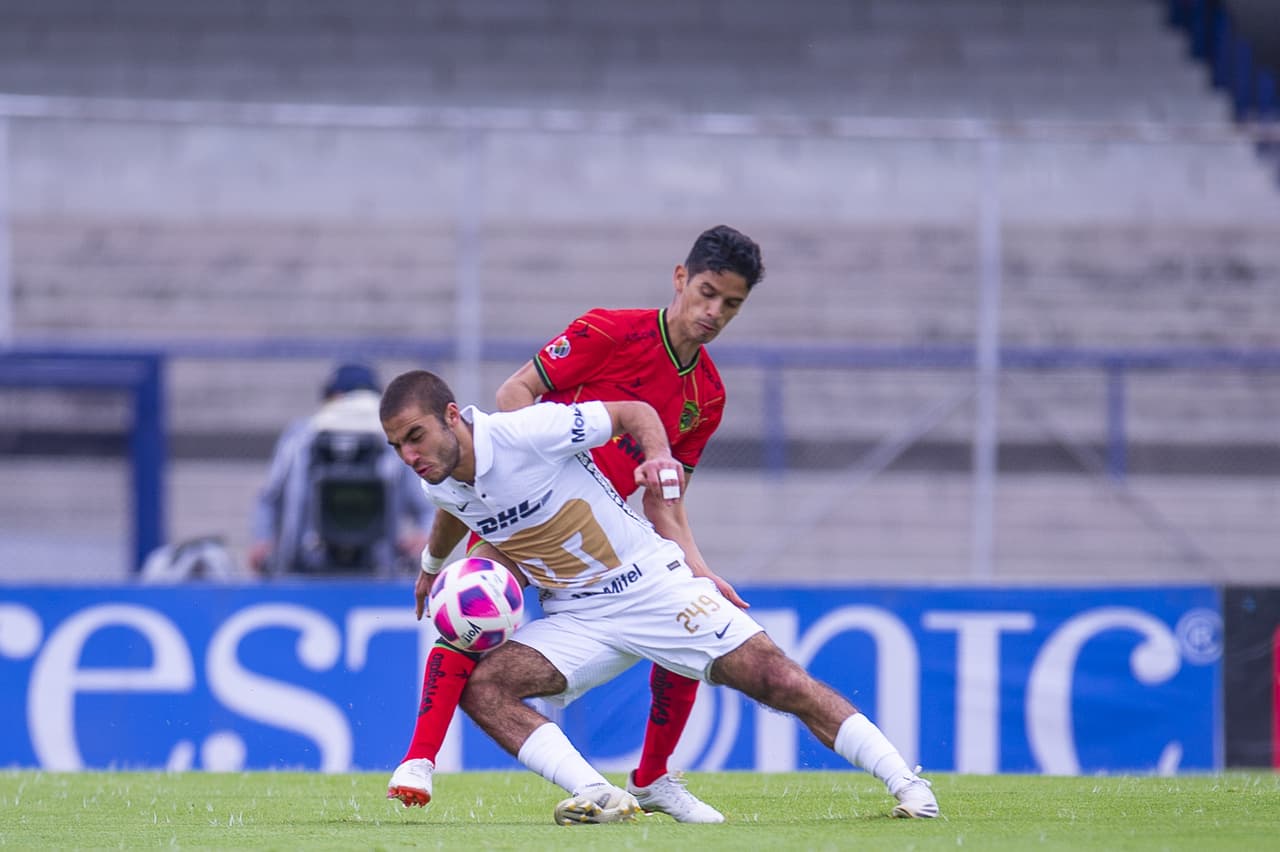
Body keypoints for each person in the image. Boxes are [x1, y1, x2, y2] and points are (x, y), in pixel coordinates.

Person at [379, 369, 940, 825]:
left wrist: (657, 457)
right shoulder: (438, 477)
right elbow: (452, 509)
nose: (409, 455)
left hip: (650, 586)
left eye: (415, 436)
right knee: (484, 688)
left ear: (452, 416)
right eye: (397, 445)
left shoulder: (526, 431)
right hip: (578, 616)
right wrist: (432, 567)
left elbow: (633, 413)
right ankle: (599, 795)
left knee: (778, 680)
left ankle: (907, 783)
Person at [386, 226, 761, 822]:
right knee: (467, 608)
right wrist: (542, 476)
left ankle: (654, 777)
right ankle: (418, 761)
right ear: (681, 278)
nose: (714, 312)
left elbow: (669, 495)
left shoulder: (708, 393)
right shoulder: (611, 330)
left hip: (604, 534)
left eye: (731, 304)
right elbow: (516, 394)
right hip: (532, 512)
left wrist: (697, 564)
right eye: (707, 293)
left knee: (685, 606)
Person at [249, 361, 433, 576]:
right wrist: (263, 540)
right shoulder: (301, 440)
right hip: (306, 564)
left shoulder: (393, 443)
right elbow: (269, 498)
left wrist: (424, 536)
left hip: (376, 566)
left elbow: (427, 505)